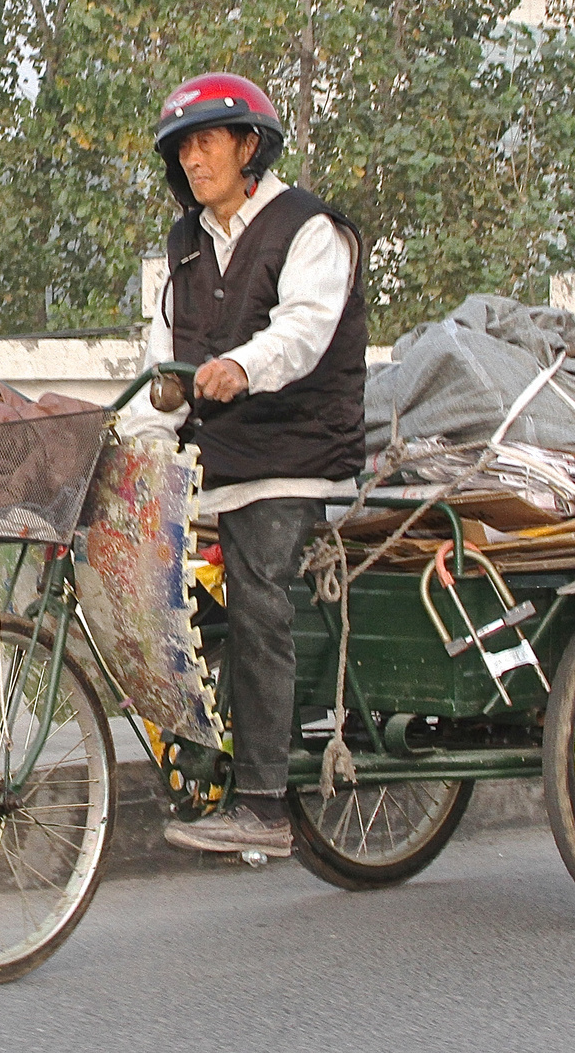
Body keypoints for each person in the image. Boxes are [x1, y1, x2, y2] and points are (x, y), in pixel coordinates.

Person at [119, 73, 366, 858]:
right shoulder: (184, 245)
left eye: (206, 142)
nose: (193, 160)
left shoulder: (309, 228)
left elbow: (301, 330)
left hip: (296, 452)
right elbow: (164, 369)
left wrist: (243, 366)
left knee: (259, 589)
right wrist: (126, 433)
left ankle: (263, 803)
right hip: (218, 457)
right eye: (182, 147)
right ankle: (207, 741)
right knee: (153, 580)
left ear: (248, 146)